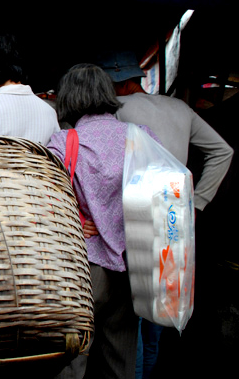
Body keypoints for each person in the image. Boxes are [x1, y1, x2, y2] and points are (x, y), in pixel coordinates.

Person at [97, 51, 234, 378]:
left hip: (136, 217)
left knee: (131, 317)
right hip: (175, 217)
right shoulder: (180, 108)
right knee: (160, 312)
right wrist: (197, 202)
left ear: (122, 84)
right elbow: (223, 151)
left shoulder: (117, 109)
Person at [47, 63, 158, 379]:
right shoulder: (142, 138)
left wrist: (76, 220)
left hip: (82, 269)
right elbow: (162, 192)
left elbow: (46, 204)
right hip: (132, 267)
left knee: (70, 362)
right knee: (121, 362)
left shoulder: (63, 143)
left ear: (68, 99)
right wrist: (121, 221)